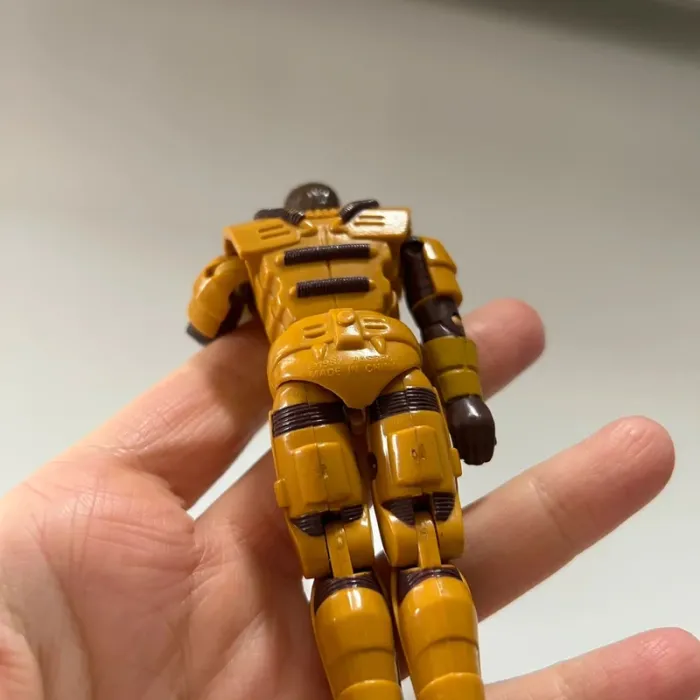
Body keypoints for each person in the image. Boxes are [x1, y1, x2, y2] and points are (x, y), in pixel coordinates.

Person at [0, 300, 697, 700]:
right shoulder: (262, 242)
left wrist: (463, 397)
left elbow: (440, 317)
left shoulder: (389, 234)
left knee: (424, 536)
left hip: (384, 368)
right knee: (339, 546)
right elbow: (209, 311)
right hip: (315, 377)